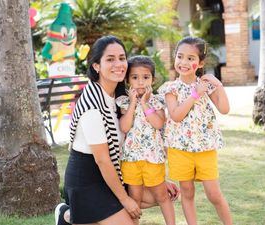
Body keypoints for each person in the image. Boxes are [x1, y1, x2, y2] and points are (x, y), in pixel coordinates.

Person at [54, 35, 179, 225]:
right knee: (130, 209)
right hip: (88, 181)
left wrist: (158, 181)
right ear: (96, 66)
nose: (118, 64)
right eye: (110, 59)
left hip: (114, 175)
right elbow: (103, 160)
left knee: (162, 194)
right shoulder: (92, 106)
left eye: (122, 58)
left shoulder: (121, 96)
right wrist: (125, 200)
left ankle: (71, 217)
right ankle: (72, 215)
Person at [158, 36, 232, 225]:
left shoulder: (206, 85)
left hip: (205, 148)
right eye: (180, 56)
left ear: (200, 63)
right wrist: (194, 95)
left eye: (191, 58)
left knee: (214, 194)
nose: (184, 62)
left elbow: (224, 108)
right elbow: (175, 115)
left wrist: (217, 84)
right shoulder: (171, 88)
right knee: (188, 192)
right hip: (180, 150)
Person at [116, 56, 176, 225]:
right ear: (128, 80)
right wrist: (134, 103)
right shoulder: (125, 102)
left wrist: (144, 103)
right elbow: (125, 127)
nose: (140, 82)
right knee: (135, 198)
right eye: (135, 77)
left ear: (153, 79)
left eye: (145, 77)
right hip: (131, 159)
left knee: (162, 196)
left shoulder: (157, 101)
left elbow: (158, 123)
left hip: (153, 158)